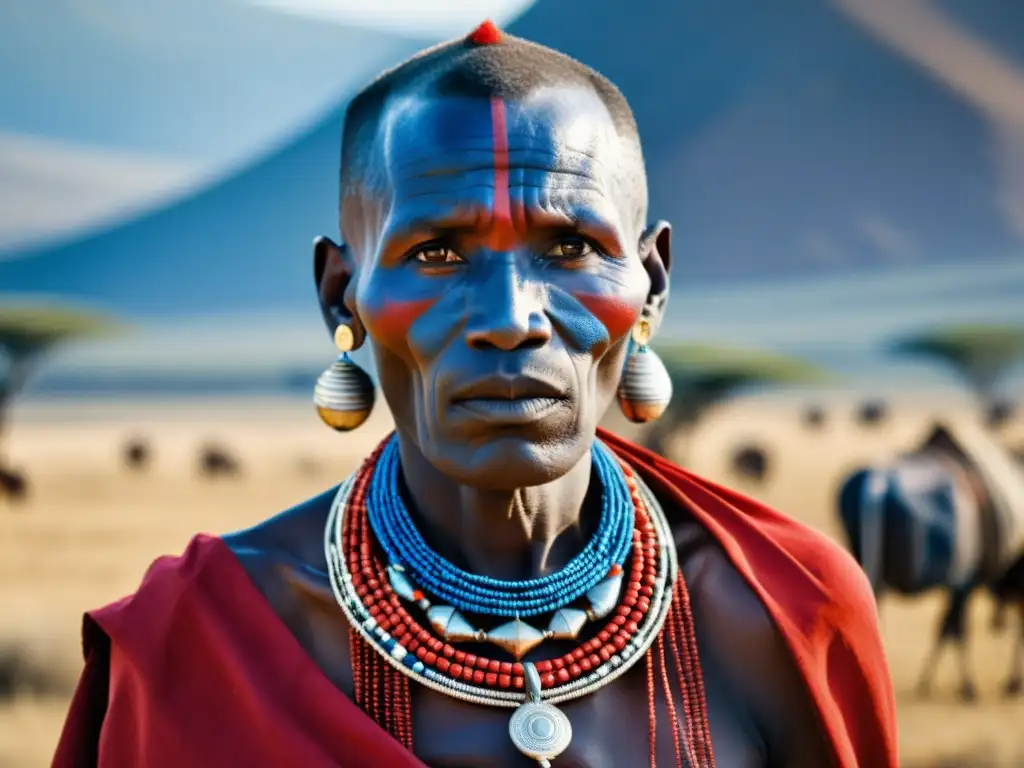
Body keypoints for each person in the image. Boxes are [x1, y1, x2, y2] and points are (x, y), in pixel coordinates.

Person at [53, 21, 897, 768]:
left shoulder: (789, 616)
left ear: (652, 284)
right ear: (341, 296)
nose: (509, 318)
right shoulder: (201, 644)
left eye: (569, 246)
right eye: (437, 253)